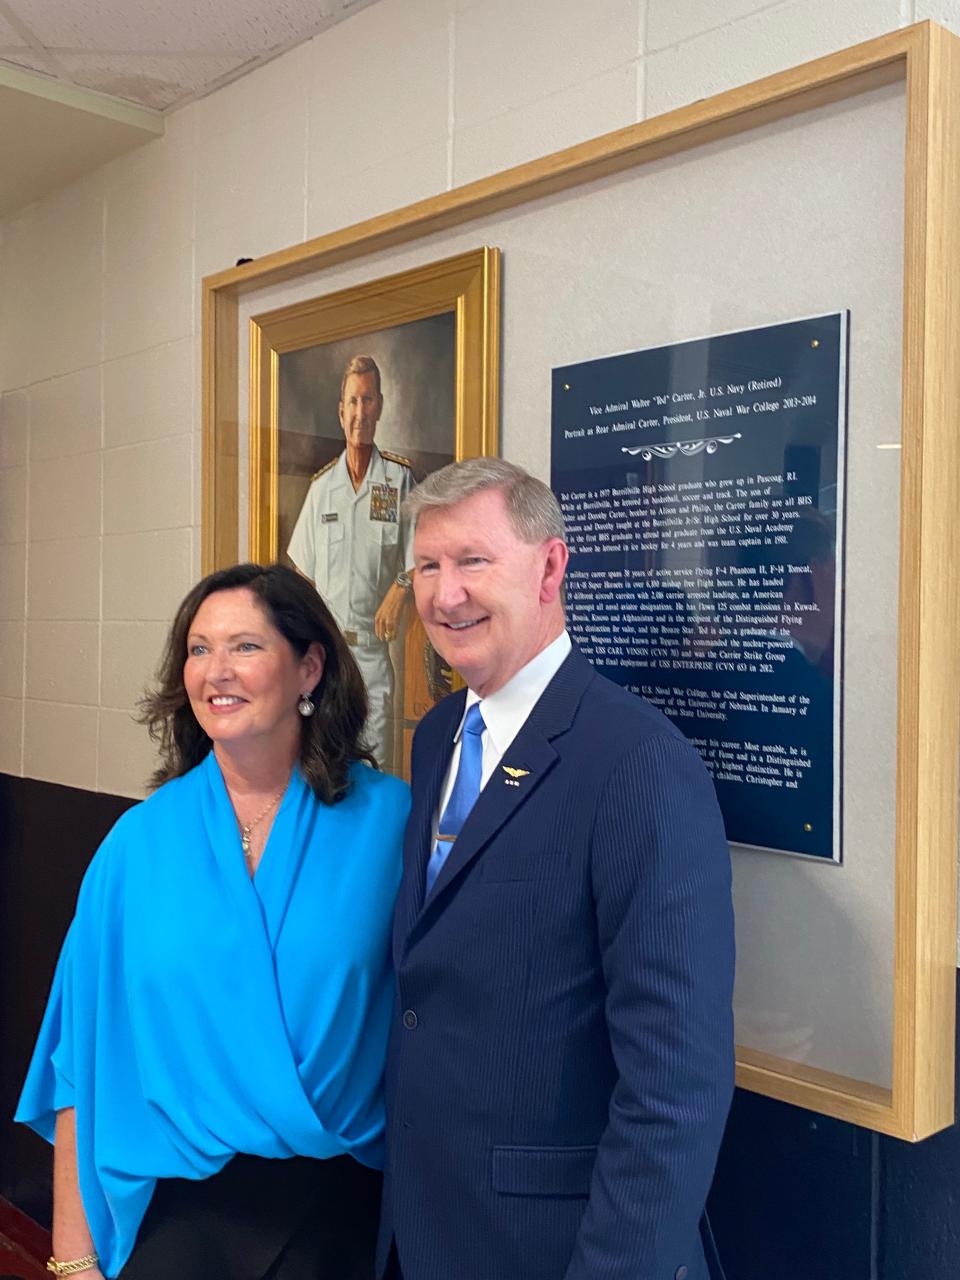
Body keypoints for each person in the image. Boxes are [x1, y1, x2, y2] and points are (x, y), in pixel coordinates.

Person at [378, 459, 735, 1280]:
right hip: (428, 1224)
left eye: (473, 561)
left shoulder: (638, 762)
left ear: (550, 567)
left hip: (556, 1247)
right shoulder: (436, 738)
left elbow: (675, 1085)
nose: (444, 593)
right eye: (426, 566)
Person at [16, 563, 410, 1280]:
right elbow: (82, 1065)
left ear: (310, 668)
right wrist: (72, 1263)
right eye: (199, 649)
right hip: (183, 1221)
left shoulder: (392, 826)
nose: (215, 672)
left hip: (348, 1218)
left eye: (246, 647)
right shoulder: (137, 846)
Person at [288, 355, 416, 772]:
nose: (360, 412)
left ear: (379, 405)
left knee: (376, 772)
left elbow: (422, 552)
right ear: (341, 412)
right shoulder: (322, 488)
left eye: (368, 400)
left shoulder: (398, 480)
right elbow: (302, 574)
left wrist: (400, 586)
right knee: (325, 767)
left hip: (374, 657)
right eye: (352, 402)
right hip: (327, 657)